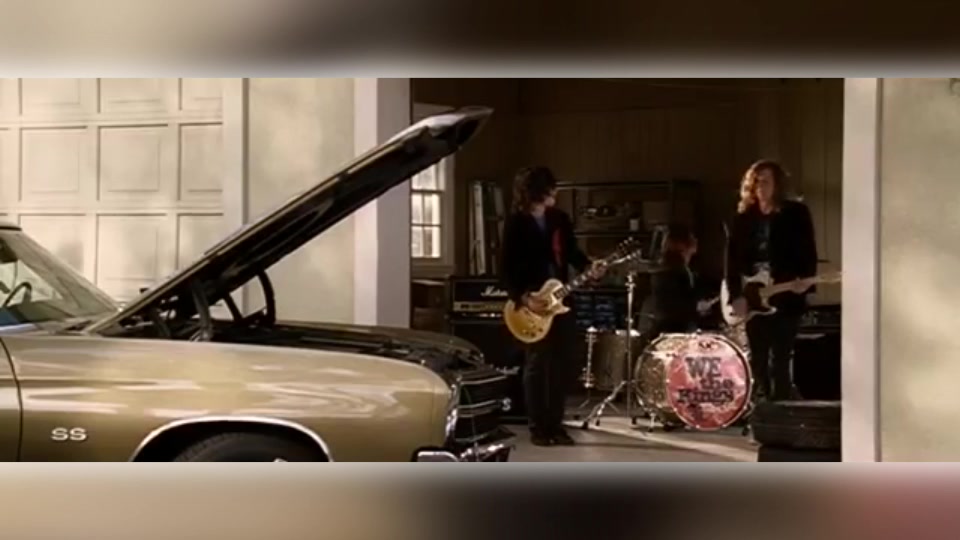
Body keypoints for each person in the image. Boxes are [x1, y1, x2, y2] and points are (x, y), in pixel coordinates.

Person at [499, 166, 603, 446]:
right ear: (536, 191)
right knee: (537, 365)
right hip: (531, 303)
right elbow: (505, 269)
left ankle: (556, 425)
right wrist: (523, 297)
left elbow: (573, 254)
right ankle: (538, 427)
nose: (555, 192)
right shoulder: (516, 223)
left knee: (561, 365)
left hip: (561, 299)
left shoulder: (560, 219)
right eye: (550, 188)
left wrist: (590, 267)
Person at [724, 159, 818, 402]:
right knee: (758, 358)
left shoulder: (796, 213)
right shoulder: (743, 218)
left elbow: (809, 252)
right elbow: (731, 261)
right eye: (755, 182)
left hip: (785, 294)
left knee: (781, 358)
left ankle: (782, 410)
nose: (760, 186)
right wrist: (736, 296)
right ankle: (761, 408)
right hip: (753, 296)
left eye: (765, 181)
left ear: (778, 184)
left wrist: (805, 281)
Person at [639, 223, 715, 338]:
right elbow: (671, 306)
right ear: (681, 243)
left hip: (677, 328)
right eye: (691, 238)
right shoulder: (670, 271)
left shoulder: (678, 268)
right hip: (673, 331)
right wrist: (696, 306)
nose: (696, 240)